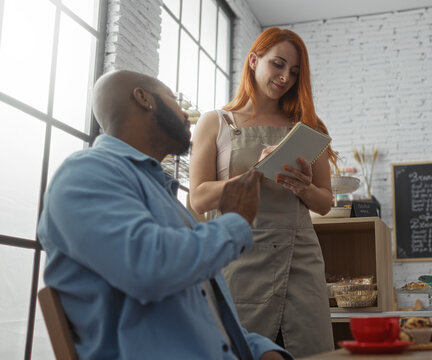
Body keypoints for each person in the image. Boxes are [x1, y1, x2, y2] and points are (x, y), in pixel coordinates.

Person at [37, 69, 291, 360]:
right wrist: (235, 222)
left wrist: (260, 351)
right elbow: (149, 267)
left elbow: (201, 314)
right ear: (144, 98)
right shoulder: (85, 173)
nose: (186, 114)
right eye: (174, 99)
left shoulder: (165, 198)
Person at [189, 27, 337, 357]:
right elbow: (198, 198)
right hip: (239, 259)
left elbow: (326, 203)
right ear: (254, 60)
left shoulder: (308, 127)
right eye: (278, 64)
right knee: (241, 349)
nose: (285, 77)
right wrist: (254, 173)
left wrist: (305, 188)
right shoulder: (216, 123)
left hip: (300, 261)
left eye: (294, 72)